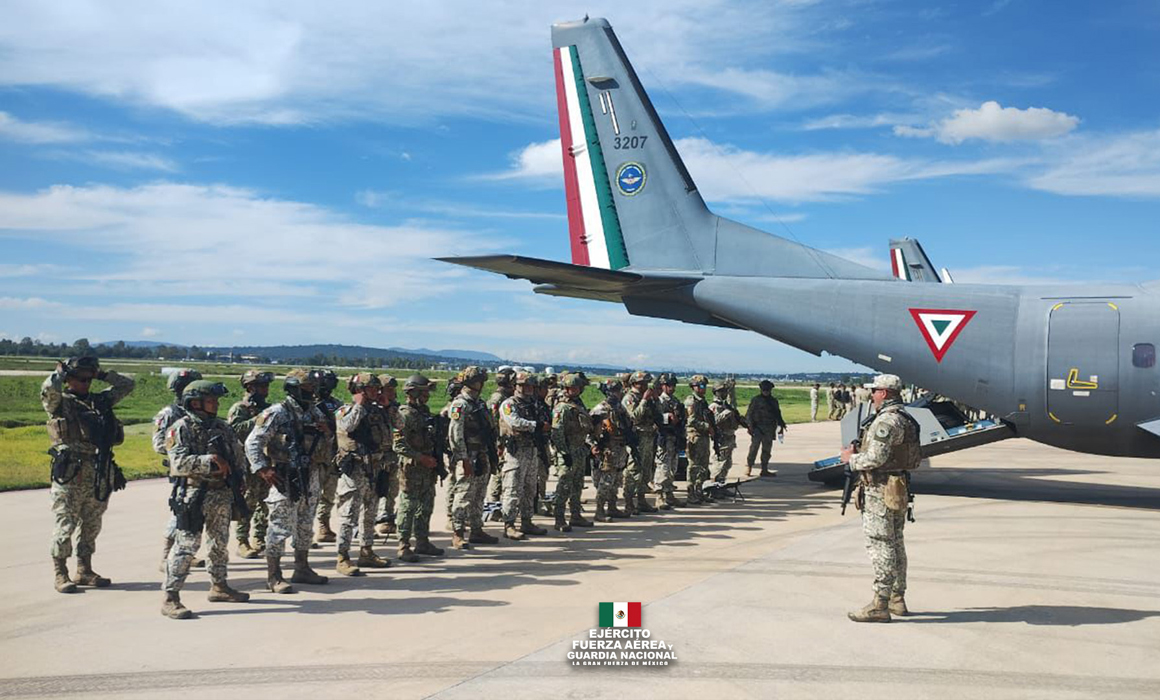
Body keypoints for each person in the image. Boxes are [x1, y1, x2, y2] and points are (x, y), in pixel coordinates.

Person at [43, 356, 135, 593]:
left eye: (88, 379)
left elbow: (127, 385)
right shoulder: (60, 402)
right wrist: (59, 373)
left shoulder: (100, 401)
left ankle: (84, 569)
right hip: (71, 472)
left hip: (98, 470)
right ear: (69, 380)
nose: (85, 383)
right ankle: (60, 573)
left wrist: (102, 375)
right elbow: (48, 389)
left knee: (92, 523)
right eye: (80, 379)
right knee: (66, 523)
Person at [161, 381, 250, 619]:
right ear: (195, 402)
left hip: (222, 493)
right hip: (194, 494)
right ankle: (171, 597)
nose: (216, 404)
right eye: (211, 400)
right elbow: (178, 463)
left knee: (219, 543)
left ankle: (219, 586)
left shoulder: (222, 426)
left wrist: (240, 478)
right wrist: (209, 460)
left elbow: (237, 454)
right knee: (186, 546)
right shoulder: (180, 428)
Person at [840, 374, 922, 623]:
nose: (872, 395)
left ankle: (880, 603)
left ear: (884, 393)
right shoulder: (906, 418)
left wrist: (850, 460)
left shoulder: (886, 421)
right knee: (896, 542)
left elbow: (874, 458)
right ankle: (898, 598)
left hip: (880, 489)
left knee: (881, 544)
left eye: (875, 391)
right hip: (897, 486)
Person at [245, 369, 330, 593]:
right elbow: (253, 442)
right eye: (307, 389)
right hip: (285, 474)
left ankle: (302, 568)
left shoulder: (315, 413)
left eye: (314, 389)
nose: (312, 393)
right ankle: (274, 576)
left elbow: (326, 440)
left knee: (305, 524)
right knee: (280, 526)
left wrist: (326, 431)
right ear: (294, 389)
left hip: (310, 474)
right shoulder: (277, 412)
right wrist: (263, 469)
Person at [333, 373, 392, 576]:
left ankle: (366, 551)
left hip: (375, 469)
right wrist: (359, 406)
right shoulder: (345, 410)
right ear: (360, 390)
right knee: (349, 514)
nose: (377, 392)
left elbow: (399, 424)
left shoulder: (379, 410)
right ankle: (342, 556)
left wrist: (388, 406)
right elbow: (347, 426)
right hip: (355, 470)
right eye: (372, 389)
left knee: (370, 513)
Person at [152, 368, 203, 571]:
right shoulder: (169, 414)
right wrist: (185, 451)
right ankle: (166, 557)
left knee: (197, 514)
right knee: (180, 513)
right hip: (181, 472)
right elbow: (158, 444)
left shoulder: (200, 413)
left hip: (200, 471)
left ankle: (187, 553)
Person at [392, 374, 446, 561]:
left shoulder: (423, 412)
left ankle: (422, 541)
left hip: (427, 469)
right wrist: (420, 457)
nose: (427, 396)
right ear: (413, 392)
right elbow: (398, 445)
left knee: (426, 506)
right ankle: (403, 545)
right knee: (408, 507)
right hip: (412, 469)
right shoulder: (404, 414)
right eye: (423, 392)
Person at [447, 366, 499, 548]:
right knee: (464, 495)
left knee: (479, 495)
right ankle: (458, 533)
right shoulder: (460, 404)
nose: (482, 384)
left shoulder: (480, 403)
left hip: (482, 454)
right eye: (479, 381)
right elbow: (455, 434)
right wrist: (463, 458)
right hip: (468, 455)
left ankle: (477, 529)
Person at [228, 370, 273, 559]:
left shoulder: (269, 407)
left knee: (265, 501)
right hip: (247, 463)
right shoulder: (240, 408)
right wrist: (257, 420)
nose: (265, 389)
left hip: (266, 460)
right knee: (248, 502)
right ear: (249, 387)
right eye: (261, 386)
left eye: (266, 385)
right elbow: (234, 430)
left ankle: (260, 537)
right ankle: (242, 541)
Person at [498, 372, 547, 539]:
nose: (526, 389)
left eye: (530, 386)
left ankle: (527, 521)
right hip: (515, 451)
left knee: (530, 488)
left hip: (531, 450)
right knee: (512, 488)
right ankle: (509, 524)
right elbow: (514, 422)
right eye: (522, 386)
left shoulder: (533, 404)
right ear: (515, 386)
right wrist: (536, 425)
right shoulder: (508, 404)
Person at [550, 373, 594, 530]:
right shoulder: (562, 408)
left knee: (577, 485)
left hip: (579, 450)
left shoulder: (578, 405)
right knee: (564, 486)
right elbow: (556, 433)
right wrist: (564, 452)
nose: (574, 391)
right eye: (571, 388)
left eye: (576, 388)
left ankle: (575, 515)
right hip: (567, 452)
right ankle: (559, 518)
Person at [590, 378, 633, 521]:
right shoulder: (601, 408)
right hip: (607, 449)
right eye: (614, 391)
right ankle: (599, 510)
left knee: (616, 480)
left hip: (620, 448)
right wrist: (593, 445)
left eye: (619, 391)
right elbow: (588, 430)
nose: (617, 394)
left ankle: (612, 507)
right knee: (606, 480)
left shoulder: (620, 408)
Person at [622, 371, 659, 515]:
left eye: (646, 383)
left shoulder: (647, 397)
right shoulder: (629, 398)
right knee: (633, 470)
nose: (644, 386)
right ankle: (629, 502)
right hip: (637, 438)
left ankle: (642, 500)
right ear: (634, 384)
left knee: (646, 470)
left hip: (649, 436)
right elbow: (634, 417)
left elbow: (657, 415)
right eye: (641, 383)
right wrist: (644, 400)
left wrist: (655, 400)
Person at [312, 369, 343, 545]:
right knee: (311, 496)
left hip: (332, 455)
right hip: (314, 458)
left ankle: (324, 525)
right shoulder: (308, 406)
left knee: (329, 494)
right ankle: (304, 532)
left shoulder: (337, 405)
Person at [373, 375, 402, 537]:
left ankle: (387, 520)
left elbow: (400, 425)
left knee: (392, 488)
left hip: (390, 454)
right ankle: (367, 525)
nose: (392, 393)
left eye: (393, 389)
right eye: (388, 389)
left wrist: (390, 407)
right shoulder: (371, 408)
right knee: (372, 492)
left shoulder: (392, 408)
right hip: (374, 457)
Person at [485, 367, 516, 505]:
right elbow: (493, 422)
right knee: (498, 473)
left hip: (505, 440)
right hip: (499, 442)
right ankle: (494, 504)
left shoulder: (507, 397)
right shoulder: (498, 398)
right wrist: (498, 443)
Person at [653, 373, 684, 509]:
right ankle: (659, 496)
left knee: (673, 467)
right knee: (662, 467)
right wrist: (668, 418)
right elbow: (656, 418)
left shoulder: (675, 401)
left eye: (673, 385)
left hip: (674, 438)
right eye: (669, 385)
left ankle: (669, 493)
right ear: (663, 386)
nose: (672, 388)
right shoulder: (659, 401)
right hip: (664, 438)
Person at [745, 380, 787, 477]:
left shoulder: (774, 401)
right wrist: (750, 427)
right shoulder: (756, 400)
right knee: (754, 448)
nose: (766, 391)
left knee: (767, 450)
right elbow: (749, 414)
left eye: (768, 389)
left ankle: (764, 469)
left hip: (769, 429)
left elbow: (778, 414)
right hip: (757, 428)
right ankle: (749, 466)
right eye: (764, 389)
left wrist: (781, 425)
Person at [683, 375, 714, 504]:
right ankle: (691, 493)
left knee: (703, 465)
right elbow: (691, 420)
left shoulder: (702, 401)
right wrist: (707, 427)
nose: (703, 389)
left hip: (703, 437)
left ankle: (699, 490)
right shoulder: (692, 401)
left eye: (704, 386)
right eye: (700, 386)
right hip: (694, 436)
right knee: (694, 466)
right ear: (693, 387)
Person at [709, 383, 745, 482]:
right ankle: (714, 486)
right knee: (719, 464)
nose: (724, 393)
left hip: (729, 437)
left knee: (727, 464)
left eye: (725, 391)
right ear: (715, 393)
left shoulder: (727, 405)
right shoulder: (714, 406)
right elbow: (714, 421)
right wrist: (726, 413)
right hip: (721, 438)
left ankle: (721, 484)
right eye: (721, 391)